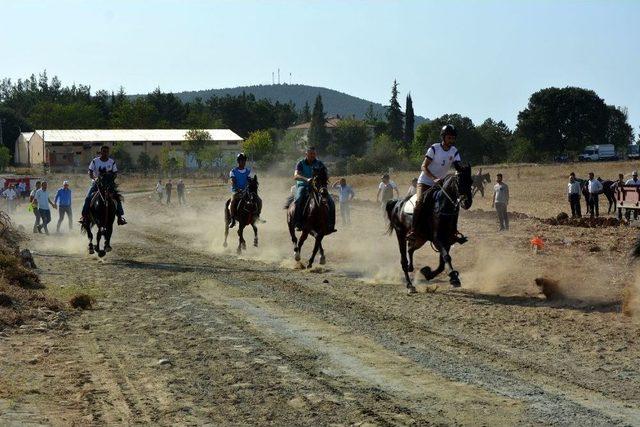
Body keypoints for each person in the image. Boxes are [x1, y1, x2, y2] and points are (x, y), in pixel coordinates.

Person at [407, 124, 466, 243]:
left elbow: (458, 167)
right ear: (443, 137)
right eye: (449, 138)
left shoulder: (454, 151)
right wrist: (433, 178)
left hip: (440, 184)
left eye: (453, 138)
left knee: (454, 204)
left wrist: (464, 173)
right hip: (425, 182)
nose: (451, 140)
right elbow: (423, 166)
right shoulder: (434, 148)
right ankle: (413, 231)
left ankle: (453, 232)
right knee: (419, 202)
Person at [293, 147, 336, 232]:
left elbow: (325, 173)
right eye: (311, 154)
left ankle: (331, 225)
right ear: (306, 154)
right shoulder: (300, 163)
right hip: (303, 185)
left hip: (317, 186)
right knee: (298, 199)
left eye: (314, 154)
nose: (313, 155)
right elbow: (296, 176)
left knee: (331, 201)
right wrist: (306, 179)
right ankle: (298, 222)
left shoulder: (319, 163)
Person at [81, 145, 127, 225]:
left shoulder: (111, 162)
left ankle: (120, 217)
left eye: (107, 152)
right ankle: (84, 217)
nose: (105, 153)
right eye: (103, 151)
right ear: (101, 152)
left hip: (109, 184)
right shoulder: (95, 161)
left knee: (117, 198)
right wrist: (94, 178)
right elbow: (90, 172)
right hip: (96, 184)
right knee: (88, 198)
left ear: (108, 153)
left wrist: (111, 178)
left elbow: (115, 173)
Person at [228, 153, 257, 228]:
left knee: (258, 200)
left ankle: (257, 216)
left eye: (244, 160)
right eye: (241, 160)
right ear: (238, 161)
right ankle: (232, 219)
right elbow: (233, 181)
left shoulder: (248, 171)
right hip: (236, 191)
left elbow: (250, 180)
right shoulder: (233, 171)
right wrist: (237, 189)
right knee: (233, 201)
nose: (243, 162)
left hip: (246, 191)